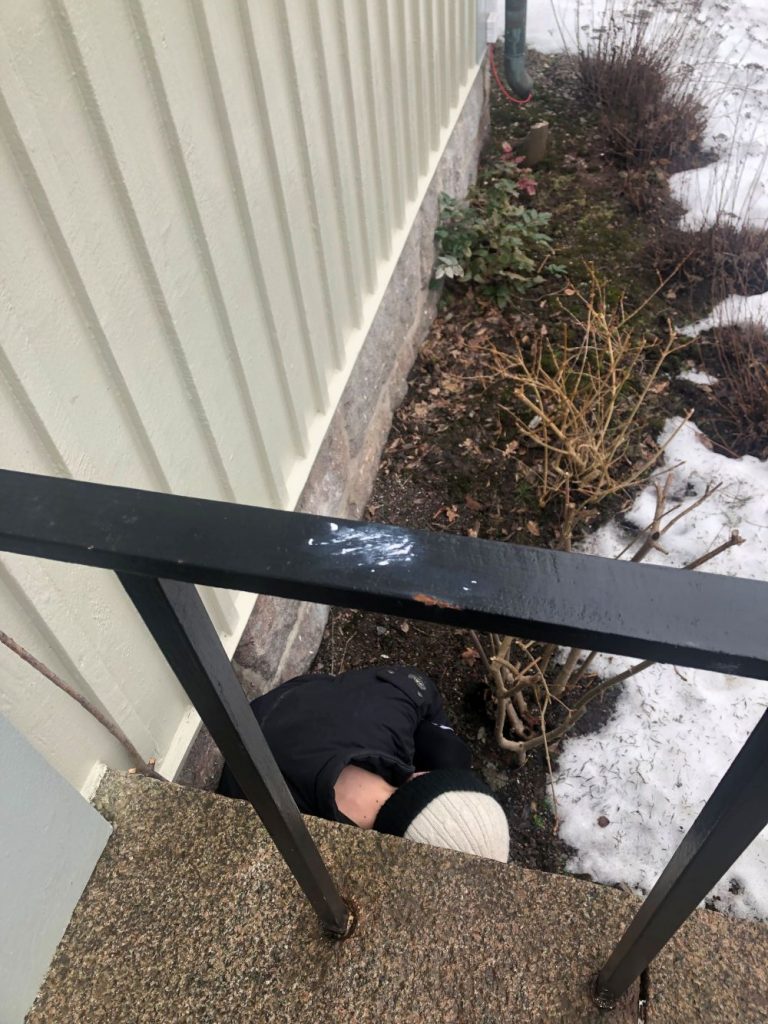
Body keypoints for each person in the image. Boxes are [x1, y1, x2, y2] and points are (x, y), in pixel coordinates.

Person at [219, 663, 510, 863]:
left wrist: (444, 740)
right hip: (242, 761)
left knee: (452, 754)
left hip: (290, 704)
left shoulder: (391, 707)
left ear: (421, 775)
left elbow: (419, 688)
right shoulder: (319, 849)